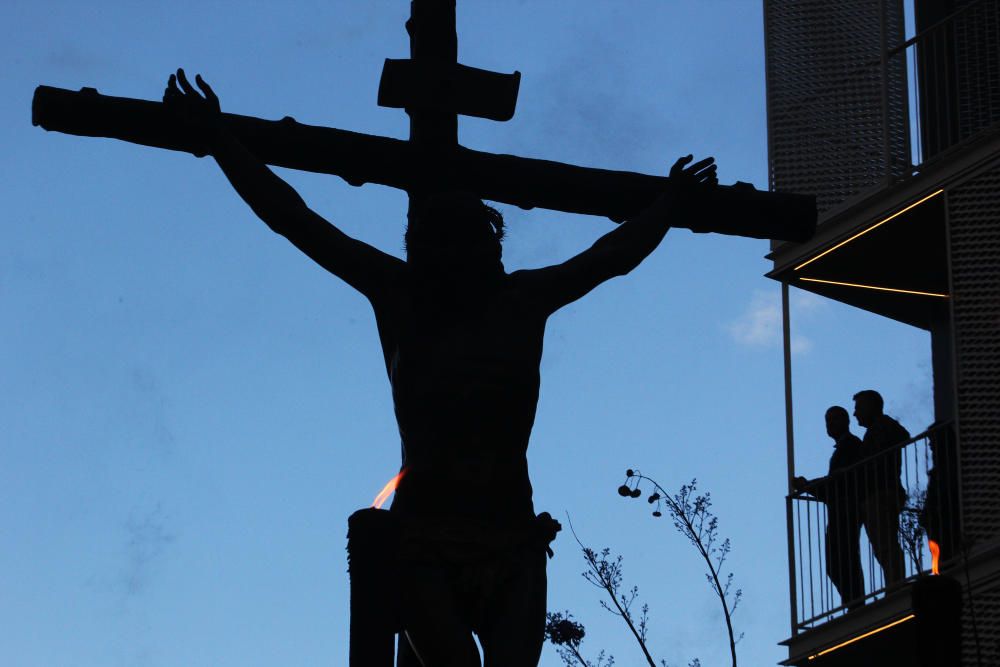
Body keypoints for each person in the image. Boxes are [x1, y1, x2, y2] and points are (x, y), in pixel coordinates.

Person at [163, 69, 718, 667]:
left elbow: (611, 257)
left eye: (470, 243)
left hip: (509, 532)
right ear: (425, 250)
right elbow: (293, 219)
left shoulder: (519, 301)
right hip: (425, 536)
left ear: (490, 249)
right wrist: (220, 139)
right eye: (445, 244)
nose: (459, 257)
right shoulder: (402, 295)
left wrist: (669, 204)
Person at [794, 406, 865, 609]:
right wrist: (810, 486)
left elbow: (838, 483)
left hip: (846, 510)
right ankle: (853, 602)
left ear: (845, 421)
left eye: (834, 419)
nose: (830, 424)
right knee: (838, 562)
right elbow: (833, 483)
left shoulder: (851, 446)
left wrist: (808, 486)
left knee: (843, 560)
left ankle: (855, 604)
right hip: (840, 511)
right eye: (828, 420)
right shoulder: (845, 447)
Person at [853, 389, 910, 587]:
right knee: (882, 545)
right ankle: (894, 583)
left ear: (870, 407)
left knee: (885, 544)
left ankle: (896, 584)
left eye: (858, 408)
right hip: (880, 492)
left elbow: (902, 437)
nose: (855, 413)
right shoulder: (878, 430)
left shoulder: (882, 428)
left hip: (881, 492)